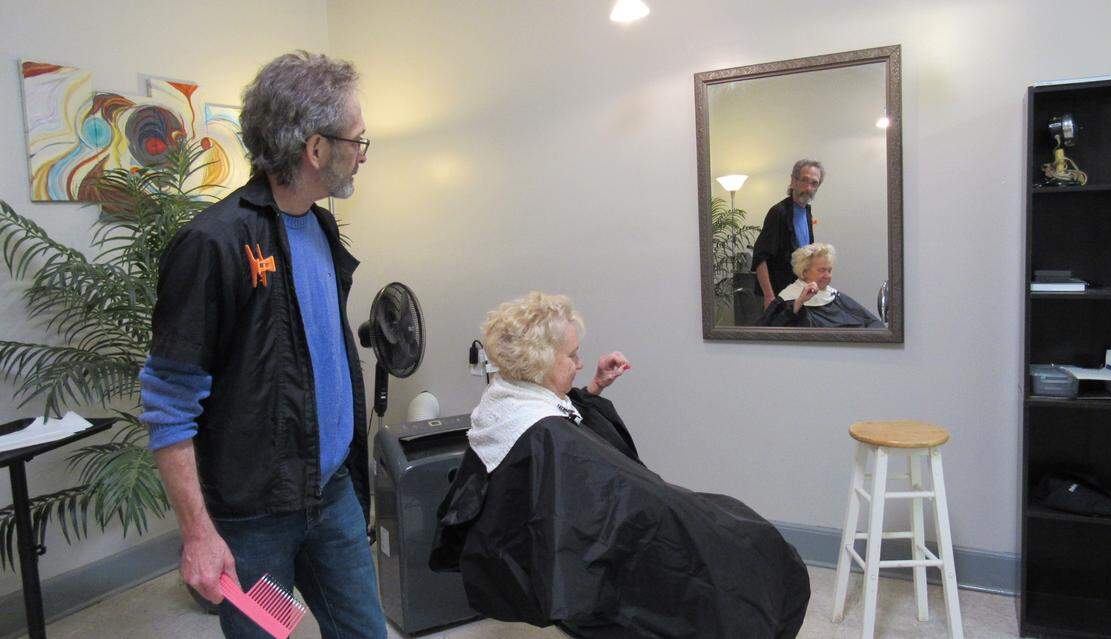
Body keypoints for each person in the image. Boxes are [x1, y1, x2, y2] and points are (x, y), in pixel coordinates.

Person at [140, 51, 387, 638]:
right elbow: (169, 403)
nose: (362, 153)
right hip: (251, 519)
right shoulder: (213, 244)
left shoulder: (321, 228)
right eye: (357, 140)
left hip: (331, 499)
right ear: (316, 149)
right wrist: (199, 534)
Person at [430, 292, 810, 639]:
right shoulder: (545, 433)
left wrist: (594, 387)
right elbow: (588, 474)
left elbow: (561, 421)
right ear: (541, 364)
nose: (580, 363)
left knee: (714, 519)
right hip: (627, 526)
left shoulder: (505, 400)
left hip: (620, 513)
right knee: (738, 545)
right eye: (572, 356)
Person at [751, 159, 825, 308]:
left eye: (814, 183)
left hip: (799, 293)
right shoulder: (778, 213)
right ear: (793, 181)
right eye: (804, 180)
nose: (808, 187)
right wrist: (769, 296)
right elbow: (760, 257)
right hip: (779, 295)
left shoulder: (807, 212)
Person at [759, 243, 885, 328]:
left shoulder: (835, 296)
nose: (827, 275)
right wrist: (798, 303)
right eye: (821, 270)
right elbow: (768, 331)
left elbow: (871, 322)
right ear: (804, 272)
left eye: (829, 270)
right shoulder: (788, 298)